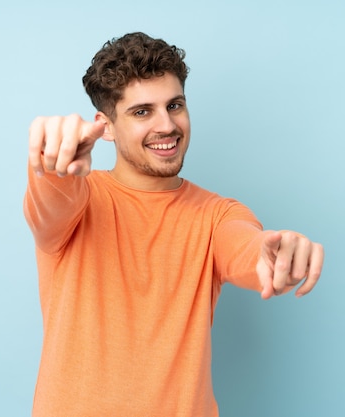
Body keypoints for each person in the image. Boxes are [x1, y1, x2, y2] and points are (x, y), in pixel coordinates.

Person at [23, 32, 324, 417]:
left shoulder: (219, 214)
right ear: (106, 126)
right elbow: (50, 204)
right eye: (142, 111)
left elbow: (246, 248)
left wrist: (274, 255)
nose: (167, 125)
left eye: (175, 105)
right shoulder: (77, 200)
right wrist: (54, 166)